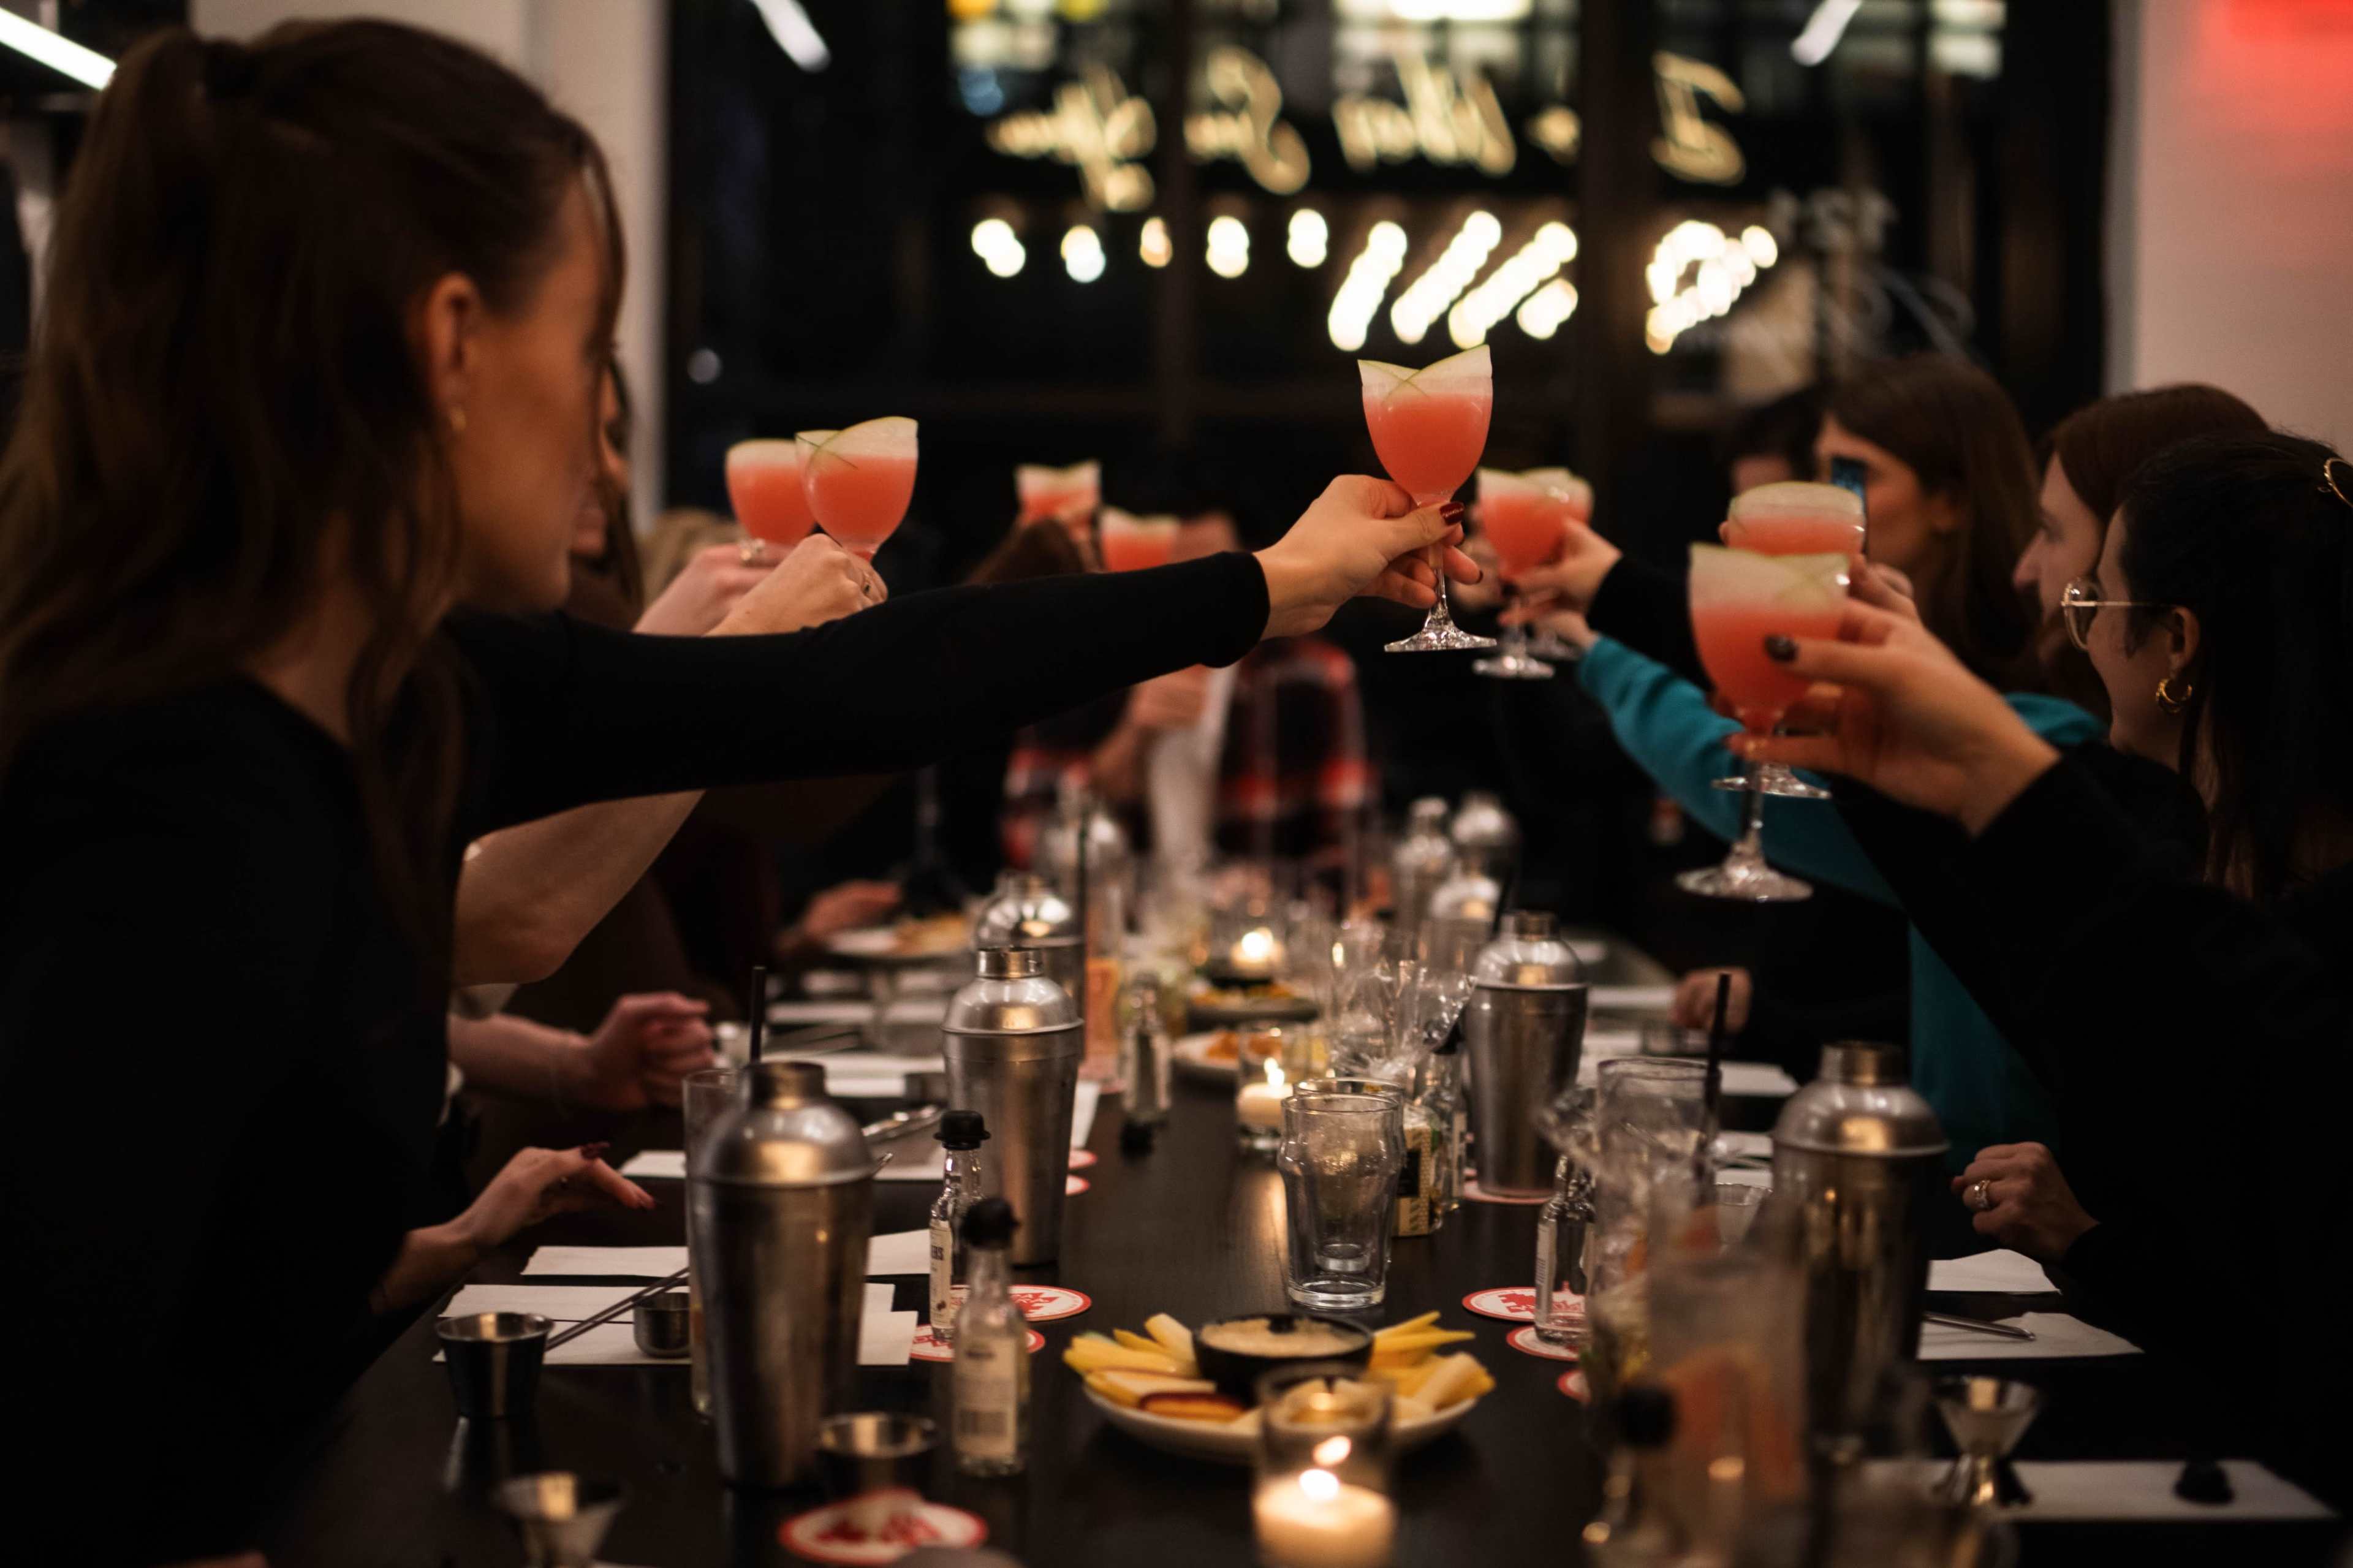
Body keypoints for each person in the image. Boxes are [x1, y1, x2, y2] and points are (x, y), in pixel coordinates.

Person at [0, 23, 1474, 1560]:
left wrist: (1271, 584)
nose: (602, 431)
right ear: (451, 347)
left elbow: (875, 679)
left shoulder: (410, 689)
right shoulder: (163, 797)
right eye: (590, 352)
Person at [1740, 432, 2353, 1500]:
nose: (2069, 613)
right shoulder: (2216, 856)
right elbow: (2021, 952)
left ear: (2177, 641)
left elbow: (2284, 1305)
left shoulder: (2292, 932)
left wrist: (1988, 769)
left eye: (2093, 596)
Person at [1512, 357, 2079, 1175]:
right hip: (1928, 1143)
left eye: (1851, 476)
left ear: (1952, 501)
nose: (1826, 499)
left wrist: (1604, 628)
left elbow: (1762, 772)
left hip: (1983, 1163)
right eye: (1819, 472)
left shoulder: (2032, 715)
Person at [1001, 509, 1373, 889]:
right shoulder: (1074, 669)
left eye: (1215, 574)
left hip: (1256, 922)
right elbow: (1025, 844)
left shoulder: (1313, 675)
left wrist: (1255, 895)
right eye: (1169, 576)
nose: (1192, 600)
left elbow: (1349, 861)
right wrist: (1129, 745)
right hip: (1122, 922)